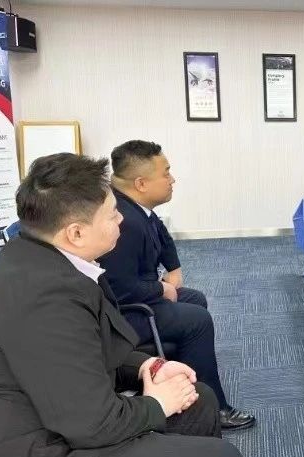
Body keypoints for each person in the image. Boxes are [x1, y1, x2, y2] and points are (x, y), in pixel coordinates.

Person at [0, 153, 247, 457]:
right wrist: (156, 405)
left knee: (198, 401)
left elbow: (84, 352)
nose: (122, 219)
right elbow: (92, 424)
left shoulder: (43, 261)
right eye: (113, 214)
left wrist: (148, 366)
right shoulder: (43, 298)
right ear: (76, 232)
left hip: (50, 414)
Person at [99, 140, 254, 430]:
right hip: (122, 314)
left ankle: (185, 380)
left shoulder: (136, 207)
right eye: (166, 173)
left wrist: (174, 271)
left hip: (139, 295)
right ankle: (215, 408)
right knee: (197, 320)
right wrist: (162, 289)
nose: (172, 179)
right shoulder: (123, 221)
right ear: (141, 183)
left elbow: (161, 235)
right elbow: (118, 289)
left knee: (194, 298)